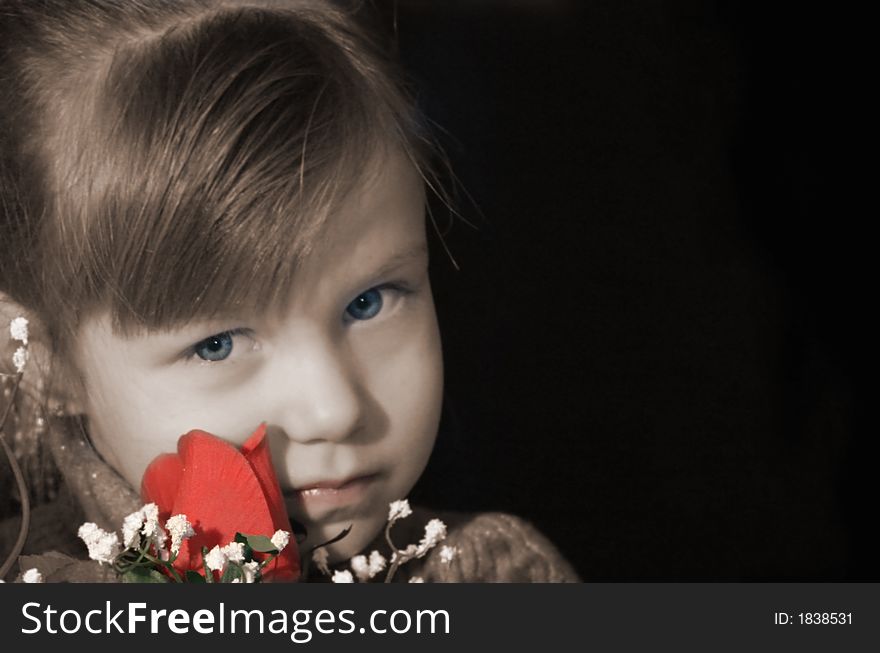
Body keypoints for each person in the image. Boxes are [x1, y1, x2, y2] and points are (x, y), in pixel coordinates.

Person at [0, 0, 578, 582]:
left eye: (367, 302)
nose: (334, 409)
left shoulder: (496, 579)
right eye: (217, 344)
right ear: (49, 360)